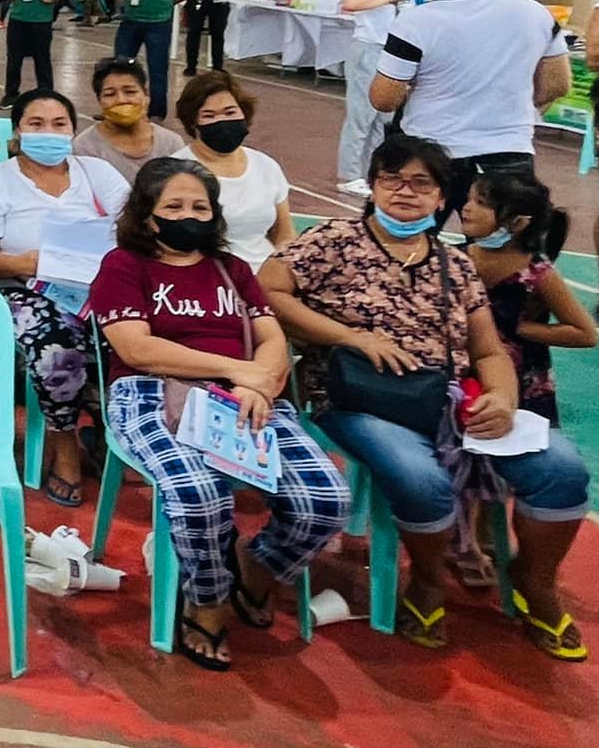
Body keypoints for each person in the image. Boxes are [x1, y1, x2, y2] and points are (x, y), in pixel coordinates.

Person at [263, 135, 590, 659]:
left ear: (442, 198)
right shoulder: (331, 241)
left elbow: (488, 351)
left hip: (446, 399)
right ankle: (429, 580)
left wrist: (503, 400)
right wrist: (350, 336)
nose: (405, 192)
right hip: (356, 399)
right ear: (372, 186)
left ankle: (536, 581)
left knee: (563, 468)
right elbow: (269, 292)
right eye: (392, 179)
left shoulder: (454, 266)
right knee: (422, 479)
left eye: (422, 183)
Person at [89, 157, 351, 671]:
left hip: (242, 396)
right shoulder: (123, 266)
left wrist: (264, 382)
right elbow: (137, 348)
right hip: (151, 392)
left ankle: (256, 569)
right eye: (174, 206)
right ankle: (205, 598)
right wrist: (239, 368)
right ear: (147, 217)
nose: (190, 215)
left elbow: (273, 338)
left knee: (325, 497)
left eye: (200, 206)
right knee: (196, 495)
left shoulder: (233, 271)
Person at [0, 89, 129, 506]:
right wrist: (25, 263)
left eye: (59, 125)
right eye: (36, 124)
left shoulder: (97, 174)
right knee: (56, 347)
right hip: (24, 288)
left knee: (130, 336)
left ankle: (116, 429)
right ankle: (64, 438)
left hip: (96, 286)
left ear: (73, 130)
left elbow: (132, 229)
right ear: (18, 130)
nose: (48, 133)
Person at [372, 0, 568, 213]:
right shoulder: (535, 13)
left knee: (403, 245)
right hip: (509, 149)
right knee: (503, 248)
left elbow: (383, 98)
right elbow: (557, 85)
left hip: (431, 155)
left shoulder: (416, 23)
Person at [458, 168, 594, 427]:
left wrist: (521, 328)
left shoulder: (537, 274)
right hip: (464, 369)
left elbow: (585, 333)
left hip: (521, 385)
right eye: (469, 199)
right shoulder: (455, 258)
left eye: (481, 204)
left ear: (518, 223)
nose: (467, 208)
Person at [172, 71, 292, 269]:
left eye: (230, 112)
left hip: (266, 277)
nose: (222, 121)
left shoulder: (267, 166)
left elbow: (284, 234)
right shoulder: (176, 170)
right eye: (209, 115)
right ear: (193, 123)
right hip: (212, 278)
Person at [337, 0, 410, 196]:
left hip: (391, 53)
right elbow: (350, 4)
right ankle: (349, 174)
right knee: (361, 114)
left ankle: (371, 170)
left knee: (382, 117)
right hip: (368, 50)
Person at [113, 0, 189, 121]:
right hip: (131, 19)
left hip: (158, 22)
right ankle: (116, 107)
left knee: (157, 68)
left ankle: (156, 112)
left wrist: (171, 2)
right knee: (120, 65)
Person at [72, 57, 185, 182]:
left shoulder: (171, 144)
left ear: (146, 94)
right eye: (110, 94)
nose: (121, 100)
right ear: (99, 100)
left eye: (130, 92)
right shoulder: (84, 148)